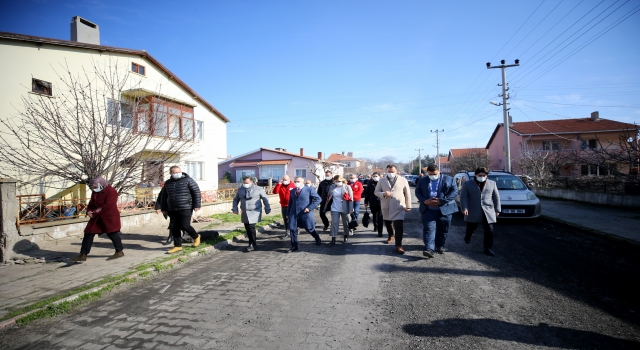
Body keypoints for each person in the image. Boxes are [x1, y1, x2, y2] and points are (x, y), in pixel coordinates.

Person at [70, 177, 124, 262]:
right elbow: (91, 203)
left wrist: (94, 213)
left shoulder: (111, 192)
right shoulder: (95, 192)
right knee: (88, 233)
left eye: (95, 187)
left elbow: (108, 205)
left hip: (108, 217)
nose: (94, 189)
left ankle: (119, 251)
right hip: (96, 218)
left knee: (112, 233)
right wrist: (89, 211)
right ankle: (83, 254)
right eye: (92, 188)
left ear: (101, 184)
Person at [415, 164, 458, 258]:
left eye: (434, 174)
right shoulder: (423, 180)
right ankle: (429, 249)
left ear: (439, 171)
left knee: (443, 230)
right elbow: (417, 191)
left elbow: (454, 192)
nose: (432, 176)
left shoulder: (449, 179)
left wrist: (441, 201)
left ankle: (439, 245)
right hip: (428, 209)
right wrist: (424, 200)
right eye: (430, 174)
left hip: (445, 209)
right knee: (429, 229)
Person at [158, 166, 202, 254]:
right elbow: (163, 196)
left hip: (185, 206)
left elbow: (196, 193)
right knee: (174, 227)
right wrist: (163, 208)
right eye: (175, 172)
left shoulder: (188, 180)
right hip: (172, 208)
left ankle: (196, 237)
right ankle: (177, 246)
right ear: (171, 173)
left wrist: (197, 205)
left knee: (184, 225)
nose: (177, 174)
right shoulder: (168, 183)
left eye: (178, 172)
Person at [460, 167, 501, 256]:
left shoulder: (492, 183)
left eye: (484, 175)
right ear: (475, 175)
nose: (482, 177)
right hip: (473, 209)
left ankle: (488, 248)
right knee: (472, 227)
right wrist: (464, 208)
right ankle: (468, 236)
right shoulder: (467, 184)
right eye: (480, 175)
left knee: (489, 230)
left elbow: (496, 197)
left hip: (488, 210)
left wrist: (498, 209)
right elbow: (463, 197)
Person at [374, 165, 412, 254]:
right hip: (386, 205)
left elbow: (407, 194)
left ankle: (399, 245)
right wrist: (383, 193)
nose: (391, 173)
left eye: (392, 171)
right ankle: (391, 234)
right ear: (386, 171)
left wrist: (408, 205)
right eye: (389, 171)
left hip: (399, 206)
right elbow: (376, 192)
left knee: (399, 225)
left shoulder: (403, 180)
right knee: (388, 222)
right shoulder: (381, 180)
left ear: (396, 171)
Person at [232, 176, 271, 252]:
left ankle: (251, 243)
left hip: (255, 211)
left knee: (251, 226)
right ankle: (253, 242)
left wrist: (267, 208)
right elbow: (236, 200)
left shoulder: (258, 189)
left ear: (251, 182)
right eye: (244, 183)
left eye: (246, 183)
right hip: (245, 211)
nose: (245, 184)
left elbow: (265, 199)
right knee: (247, 227)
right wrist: (235, 208)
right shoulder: (240, 190)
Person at [286, 177, 322, 252]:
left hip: (305, 212)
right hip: (294, 213)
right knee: (292, 229)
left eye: (298, 181)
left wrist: (309, 208)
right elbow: (290, 203)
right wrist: (288, 213)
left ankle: (317, 237)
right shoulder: (293, 191)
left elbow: (318, 199)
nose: (296, 182)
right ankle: (294, 246)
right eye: (295, 181)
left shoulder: (309, 189)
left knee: (309, 228)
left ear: (303, 182)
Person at [323, 175, 354, 246]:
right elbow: (329, 197)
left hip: (345, 208)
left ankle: (346, 236)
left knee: (346, 223)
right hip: (334, 208)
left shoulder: (347, 187)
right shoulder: (332, 187)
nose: (337, 182)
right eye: (336, 181)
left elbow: (351, 199)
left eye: (339, 181)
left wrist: (351, 209)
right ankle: (333, 238)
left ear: (342, 180)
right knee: (334, 223)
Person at [364, 172, 384, 237]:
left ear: (379, 176)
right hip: (372, 202)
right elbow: (367, 194)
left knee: (380, 217)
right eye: (374, 176)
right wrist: (366, 202)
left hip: (381, 202)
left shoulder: (383, 183)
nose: (375, 177)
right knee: (375, 215)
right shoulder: (370, 184)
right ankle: (375, 226)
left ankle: (380, 231)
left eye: (376, 176)